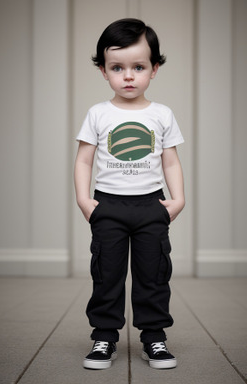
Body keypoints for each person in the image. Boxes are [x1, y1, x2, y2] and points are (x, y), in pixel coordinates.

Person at [74, 18, 185, 370]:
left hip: (151, 205)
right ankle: (104, 337)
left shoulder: (162, 114)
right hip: (108, 204)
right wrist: (84, 199)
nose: (128, 76)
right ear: (103, 71)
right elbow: (84, 160)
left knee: (153, 274)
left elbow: (170, 162)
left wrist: (177, 199)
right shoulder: (98, 113)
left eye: (138, 67)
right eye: (117, 67)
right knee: (107, 273)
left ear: (154, 69)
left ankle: (154, 338)